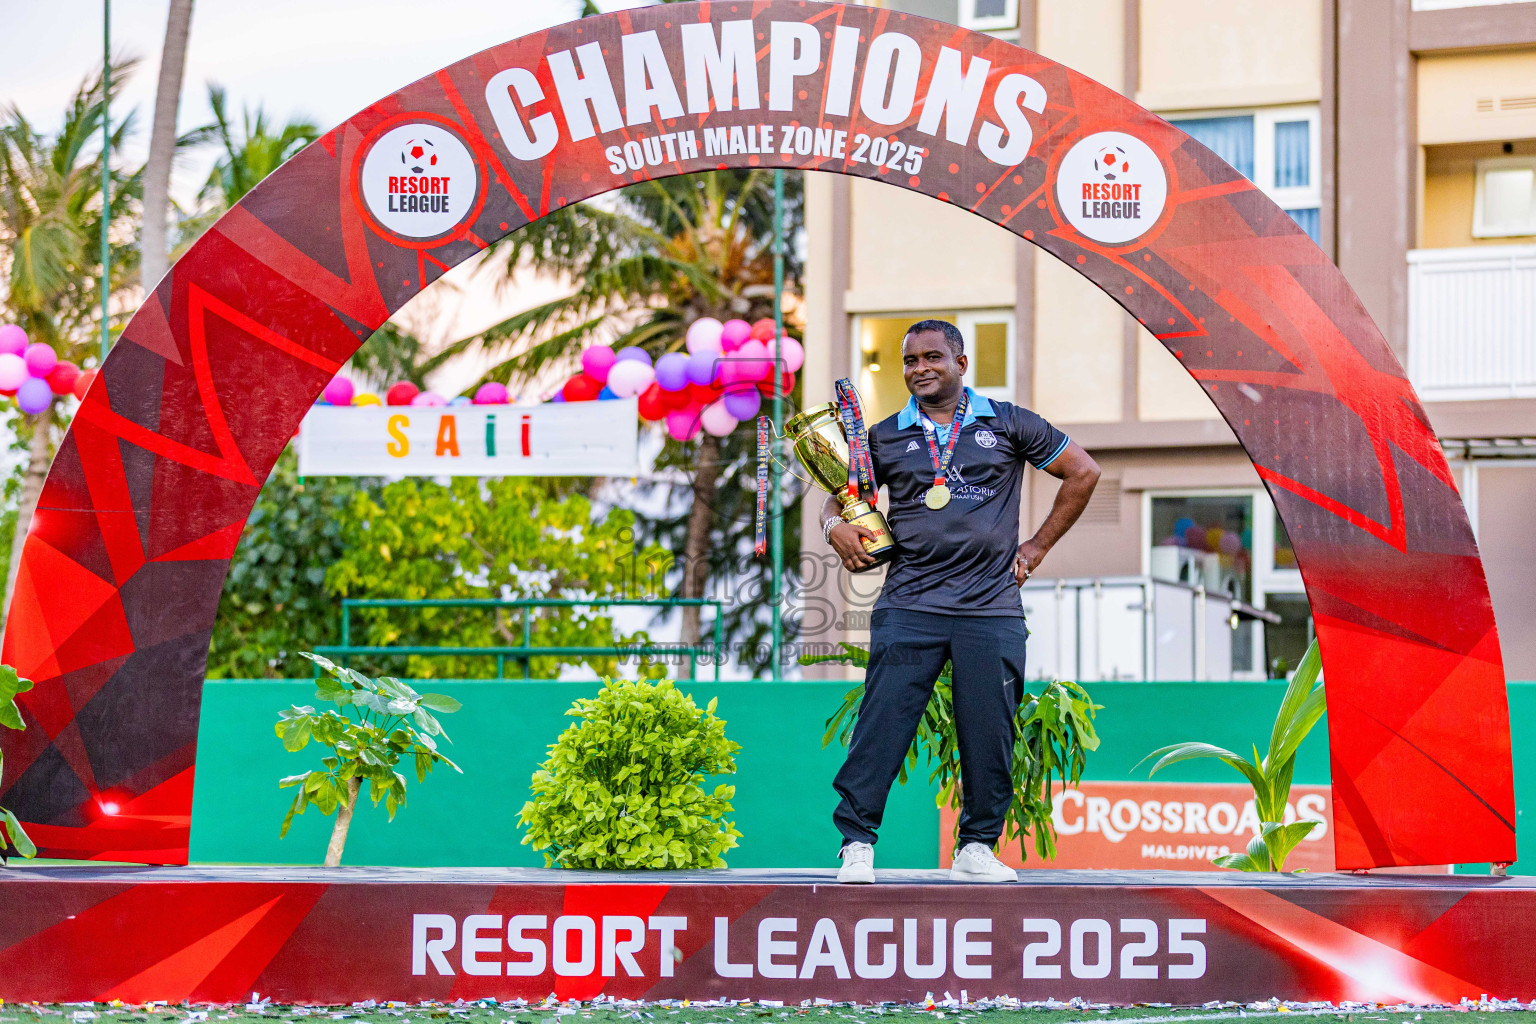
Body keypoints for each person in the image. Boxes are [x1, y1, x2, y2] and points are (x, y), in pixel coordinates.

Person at [820, 320, 1100, 883]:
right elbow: (837, 500)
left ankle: (976, 846)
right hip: (909, 603)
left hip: (990, 606)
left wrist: (1038, 545)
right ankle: (856, 845)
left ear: (961, 363)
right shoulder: (883, 435)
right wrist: (833, 529)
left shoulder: (1008, 422)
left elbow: (1083, 472)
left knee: (989, 728)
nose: (919, 368)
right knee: (883, 723)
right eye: (909, 361)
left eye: (932, 357)